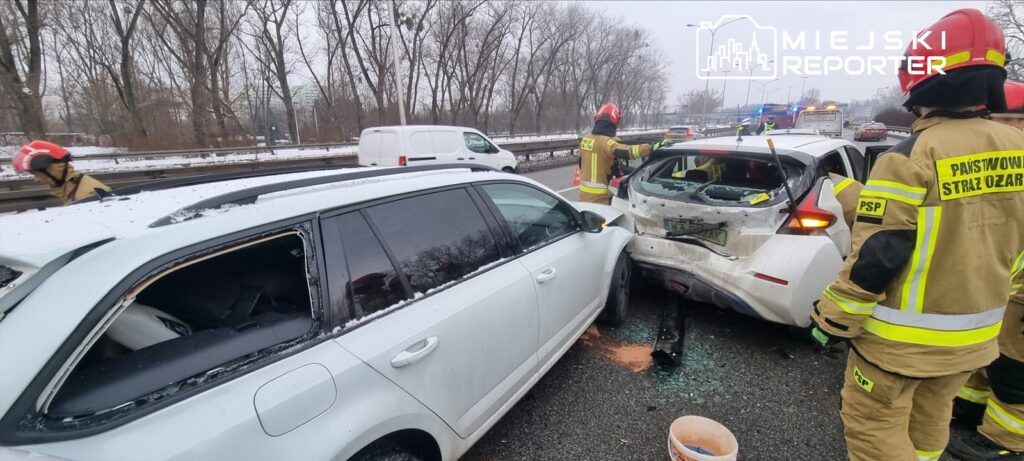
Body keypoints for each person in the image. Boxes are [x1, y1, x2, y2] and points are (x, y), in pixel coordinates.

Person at [808, 9, 1024, 461]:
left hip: (900, 345)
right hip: (976, 338)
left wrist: (834, 315)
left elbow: (880, 254)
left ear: (919, 77)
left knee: (873, 430)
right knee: (929, 425)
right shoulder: (1017, 149)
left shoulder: (910, 156)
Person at [946, 80, 1024, 461]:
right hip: (997, 289)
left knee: (1015, 370)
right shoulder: (994, 165)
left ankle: (1006, 443)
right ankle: (971, 410)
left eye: (1006, 121)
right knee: (988, 356)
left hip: (1020, 296)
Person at [578, 103, 672, 204]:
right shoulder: (606, 143)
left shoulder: (586, 139)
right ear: (614, 122)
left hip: (584, 196)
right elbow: (627, 152)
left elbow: (581, 163)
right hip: (601, 199)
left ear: (596, 119)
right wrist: (651, 147)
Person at [12, 140, 110, 204]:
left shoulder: (88, 196)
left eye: (36, 174)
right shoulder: (72, 188)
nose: (36, 179)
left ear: (53, 170)